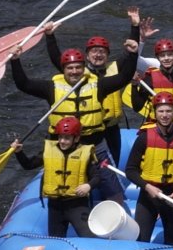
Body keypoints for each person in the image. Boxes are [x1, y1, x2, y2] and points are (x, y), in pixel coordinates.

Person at [10, 30, 138, 204]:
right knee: (69, 187)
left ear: (83, 68)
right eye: (70, 68)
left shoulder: (98, 85)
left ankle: (118, 214)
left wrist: (132, 54)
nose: (75, 71)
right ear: (63, 69)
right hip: (64, 146)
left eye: (78, 67)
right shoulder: (51, 88)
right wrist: (15, 60)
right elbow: (23, 84)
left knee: (112, 188)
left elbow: (124, 77)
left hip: (96, 146)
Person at [42, 9, 141, 164]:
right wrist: (49, 37)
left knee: (112, 161)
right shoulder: (78, 72)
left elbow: (131, 51)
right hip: (91, 129)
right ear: (87, 55)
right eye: (94, 51)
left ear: (107, 55)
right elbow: (57, 59)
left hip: (112, 128)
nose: (98, 55)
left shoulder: (115, 67)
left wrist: (135, 26)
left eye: (102, 52)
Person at [123, 92, 173, 245]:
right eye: (161, 111)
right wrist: (147, 186)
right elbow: (130, 170)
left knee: (172, 241)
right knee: (141, 240)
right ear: (154, 113)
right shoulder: (144, 137)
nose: (165, 115)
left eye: (168, 111)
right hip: (149, 195)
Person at [11, 116, 98, 238]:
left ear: (76, 138)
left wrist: (88, 185)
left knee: (90, 238)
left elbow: (98, 177)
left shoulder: (85, 154)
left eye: (67, 138)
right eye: (60, 137)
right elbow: (28, 165)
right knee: (55, 240)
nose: (62, 141)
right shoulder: (49, 151)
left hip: (77, 205)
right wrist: (19, 152)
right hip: (55, 207)